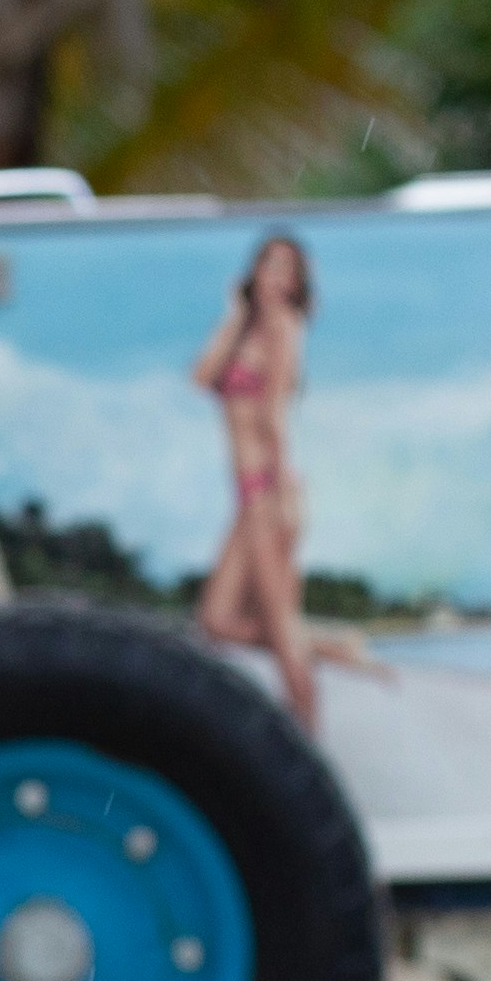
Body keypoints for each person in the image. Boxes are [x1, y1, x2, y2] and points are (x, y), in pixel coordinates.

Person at [186, 232, 371, 727]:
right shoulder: (245, 328)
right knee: (216, 622)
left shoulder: (285, 329)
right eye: (269, 265)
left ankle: (308, 745)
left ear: (296, 284)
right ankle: (332, 646)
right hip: (247, 495)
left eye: (287, 270)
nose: (276, 277)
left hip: (268, 490)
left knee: (283, 633)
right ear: (255, 272)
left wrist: (285, 494)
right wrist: (232, 311)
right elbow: (202, 377)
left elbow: (274, 415)